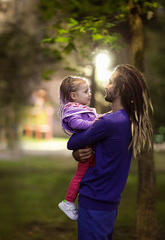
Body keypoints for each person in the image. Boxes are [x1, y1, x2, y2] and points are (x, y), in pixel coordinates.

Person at [67, 64, 153, 240]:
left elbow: (72, 142)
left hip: (94, 199)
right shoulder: (128, 121)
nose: (106, 86)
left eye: (110, 82)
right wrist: (78, 154)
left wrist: (75, 150)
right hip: (109, 203)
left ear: (120, 88)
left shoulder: (109, 122)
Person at [57, 76, 99, 221]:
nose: (90, 94)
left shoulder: (78, 108)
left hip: (87, 147)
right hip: (85, 148)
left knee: (84, 175)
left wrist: (100, 118)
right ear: (73, 96)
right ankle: (68, 202)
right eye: (86, 91)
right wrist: (96, 123)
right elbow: (77, 124)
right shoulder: (72, 111)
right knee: (79, 176)